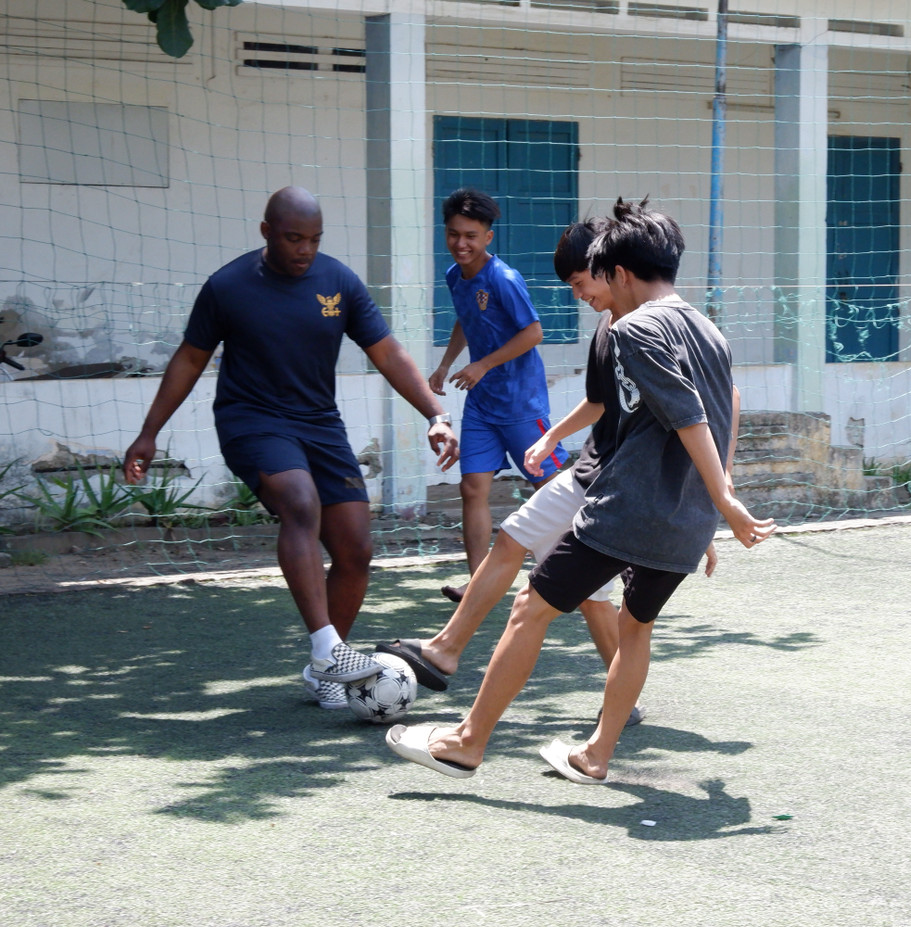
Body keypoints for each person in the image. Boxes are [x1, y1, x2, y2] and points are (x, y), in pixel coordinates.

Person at [384, 197, 775, 782]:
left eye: (590, 280)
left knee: (530, 608)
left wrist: (722, 499)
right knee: (635, 627)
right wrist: (714, 500)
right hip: (684, 522)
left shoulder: (637, 327)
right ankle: (595, 755)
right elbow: (724, 409)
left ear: (618, 272)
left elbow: (689, 414)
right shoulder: (708, 329)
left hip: (629, 508)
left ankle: (466, 743)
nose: (590, 295)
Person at [122, 186, 459, 709]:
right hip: (252, 421)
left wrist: (435, 414)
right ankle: (327, 649)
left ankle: (325, 673)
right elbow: (189, 360)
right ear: (267, 233)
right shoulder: (228, 286)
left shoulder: (339, 282)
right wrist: (149, 432)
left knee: (355, 550)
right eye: (293, 238)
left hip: (320, 425)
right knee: (301, 505)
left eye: (314, 239)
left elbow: (387, 352)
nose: (304, 249)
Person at [430, 188, 568, 592]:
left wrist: (484, 364)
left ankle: (581, 572)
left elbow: (534, 332)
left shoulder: (504, 279)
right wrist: (445, 365)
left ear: (488, 237)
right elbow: (465, 318)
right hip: (482, 406)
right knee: (472, 487)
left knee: (551, 488)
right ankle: (478, 586)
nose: (461, 243)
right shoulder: (455, 276)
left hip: (521, 403)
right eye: (454, 234)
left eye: (471, 235)